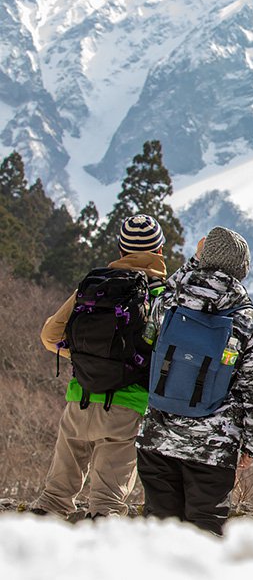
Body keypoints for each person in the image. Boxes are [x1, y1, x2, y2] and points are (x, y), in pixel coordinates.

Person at [136, 226, 253, 535]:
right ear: (242, 270)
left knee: (156, 533)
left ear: (201, 259)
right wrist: (252, 444)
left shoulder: (170, 301)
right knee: (204, 535)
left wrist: (193, 262)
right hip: (212, 447)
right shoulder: (246, 318)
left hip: (156, 438)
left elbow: (148, 335)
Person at [35, 214, 168, 518]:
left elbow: (50, 336)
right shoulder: (161, 294)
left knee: (54, 498)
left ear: (121, 250)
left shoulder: (96, 285)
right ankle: (100, 563)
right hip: (127, 405)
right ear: (159, 251)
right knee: (107, 505)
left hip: (79, 398)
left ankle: (28, 559)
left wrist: (86, 358)